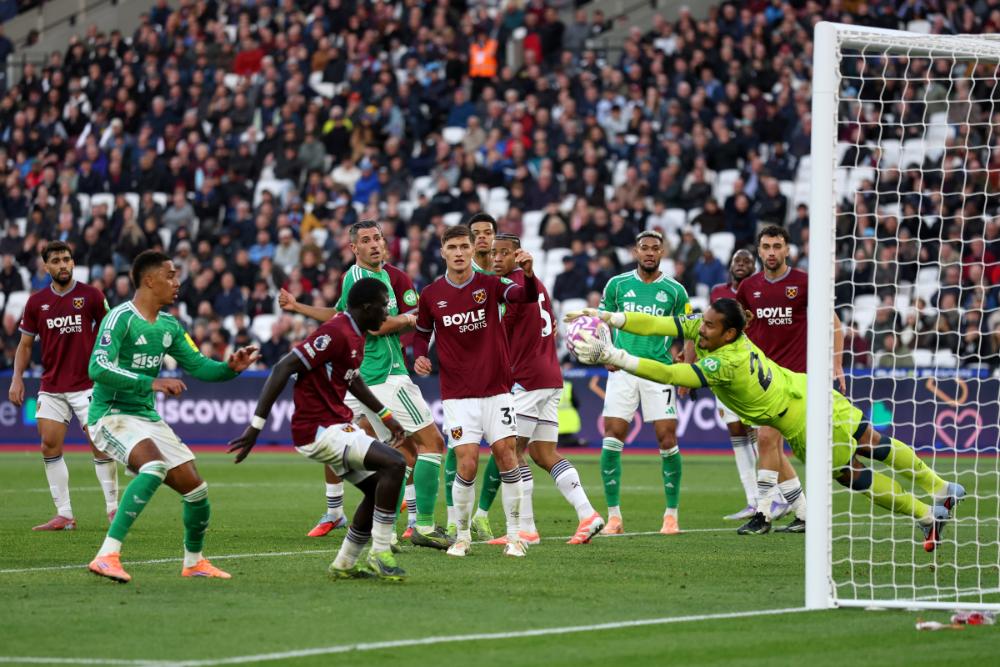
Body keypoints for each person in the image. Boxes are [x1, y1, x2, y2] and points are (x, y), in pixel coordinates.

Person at [566, 300, 964, 553]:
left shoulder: (725, 363)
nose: (699, 329)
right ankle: (943, 489)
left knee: (854, 474)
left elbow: (672, 373)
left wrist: (615, 354)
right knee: (874, 441)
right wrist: (606, 316)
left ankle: (928, 515)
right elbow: (660, 325)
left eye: (707, 326)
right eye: (701, 323)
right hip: (807, 388)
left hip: (801, 421)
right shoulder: (719, 335)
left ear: (730, 333)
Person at [85, 251, 259, 583]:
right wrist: (151, 382)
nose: (177, 282)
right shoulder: (120, 317)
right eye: (171, 275)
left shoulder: (169, 325)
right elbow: (97, 367)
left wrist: (229, 369)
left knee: (197, 491)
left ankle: (194, 562)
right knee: (154, 467)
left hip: (145, 417)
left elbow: (199, 366)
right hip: (111, 414)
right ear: (149, 280)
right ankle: (107, 555)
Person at [280, 221, 450, 549]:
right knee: (431, 444)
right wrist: (410, 319)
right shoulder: (359, 277)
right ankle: (421, 525)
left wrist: (298, 306)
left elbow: (341, 315)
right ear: (354, 248)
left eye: (378, 239)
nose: (374, 244)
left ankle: (380, 527)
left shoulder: (383, 277)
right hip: (383, 375)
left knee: (396, 453)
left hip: (366, 375)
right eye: (366, 240)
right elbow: (374, 327)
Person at [228, 278, 411, 580]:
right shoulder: (336, 332)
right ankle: (380, 552)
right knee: (396, 463)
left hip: (334, 426)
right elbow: (283, 367)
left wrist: (385, 414)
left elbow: (351, 378)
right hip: (318, 430)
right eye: (383, 306)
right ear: (367, 307)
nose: (387, 313)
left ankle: (345, 562)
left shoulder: (356, 334)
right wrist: (255, 427)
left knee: (377, 485)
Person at [412, 224, 538, 558]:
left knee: (506, 456)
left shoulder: (491, 285)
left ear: (471, 250)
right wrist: (420, 356)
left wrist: (528, 274)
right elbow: (421, 332)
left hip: (497, 391)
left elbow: (524, 297)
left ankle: (515, 537)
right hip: (457, 395)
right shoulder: (430, 294)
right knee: (466, 463)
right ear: (442, 251)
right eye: (451, 247)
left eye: (463, 246)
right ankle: (463, 535)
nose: (458, 252)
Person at [476, 233, 605, 546]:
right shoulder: (535, 287)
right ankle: (587, 513)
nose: (495, 259)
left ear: (517, 254)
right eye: (493, 253)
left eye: (503, 253)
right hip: (549, 376)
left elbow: (500, 331)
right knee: (542, 452)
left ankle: (525, 528)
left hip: (527, 380)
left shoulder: (514, 289)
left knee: (510, 450)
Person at [733, 225, 845, 534]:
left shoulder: (805, 284)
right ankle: (805, 513)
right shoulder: (748, 288)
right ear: (759, 250)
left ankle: (764, 513)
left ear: (787, 250)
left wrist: (837, 364)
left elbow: (834, 323)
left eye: (777, 246)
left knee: (768, 440)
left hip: (795, 378)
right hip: (761, 379)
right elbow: (736, 328)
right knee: (774, 447)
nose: (771, 252)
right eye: (766, 246)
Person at [9, 241, 118, 530]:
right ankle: (65, 515)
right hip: (52, 385)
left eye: (67, 259)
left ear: (73, 262)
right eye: (56, 260)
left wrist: (110, 366)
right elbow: (24, 344)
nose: (62, 265)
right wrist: (17, 377)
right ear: (46, 266)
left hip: (87, 384)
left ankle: (113, 509)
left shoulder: (91, 295)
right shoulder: (36, 303)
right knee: (48, 444)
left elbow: (111, 331)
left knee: (100, 443)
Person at [597, 231, 692, 536]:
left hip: (659, 370)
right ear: (635, 252)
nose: (649, 253)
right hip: (623, 369)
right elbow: (602, 319)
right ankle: (614, 516)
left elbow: (688, 330)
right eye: (644, 248)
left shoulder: (675, 291)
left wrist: (685, 363)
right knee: (612, 437)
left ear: (662, 252)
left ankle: (671, 514)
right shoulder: (617, 284)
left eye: (655, 248)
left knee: (667, 439)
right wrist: (606, 352)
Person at [709, 248, 758, 521]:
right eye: (737, 261)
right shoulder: (718, 292)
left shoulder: (759, 290)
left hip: (752, 369)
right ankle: (753, 500)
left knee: (760, 433)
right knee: (737, 431)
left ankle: (773, 495)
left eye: (747, 261)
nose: (741, 264)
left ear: (755, 266)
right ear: (730, 265)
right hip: (724, 371)